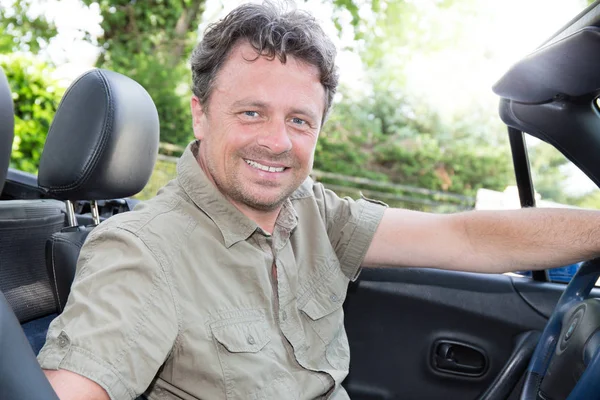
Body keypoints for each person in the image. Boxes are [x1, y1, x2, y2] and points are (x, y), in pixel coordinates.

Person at [39, 2, 600, 400]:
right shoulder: (140, 253)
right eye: (251, 112)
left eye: (299, 120)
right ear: (200, 113)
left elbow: (466, 237)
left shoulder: (313, 212)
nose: (277, 142)